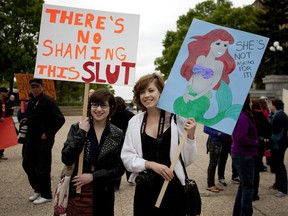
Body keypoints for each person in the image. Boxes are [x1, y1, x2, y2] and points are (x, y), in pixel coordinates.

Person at [121, 73, 198, 216]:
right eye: (142, 92)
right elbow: (127, 157)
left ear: (161, 92)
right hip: (145, 188)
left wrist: (191, 135)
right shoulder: (135, 122)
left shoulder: (179, 120)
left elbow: (188, 160)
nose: (146, 95)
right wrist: (150, 164)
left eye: (151, 90)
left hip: (172, 187)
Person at [62, 88, 124, 216]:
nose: (99, 109)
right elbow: (66, 158)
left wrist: (93, 176)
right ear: (89, 106)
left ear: (111, 107)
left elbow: (119, 169)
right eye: (95, 105)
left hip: (104, 192)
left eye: (103, 105)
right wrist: (81, 133)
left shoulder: (117, 133)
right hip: (80, 192)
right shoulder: (77, 128)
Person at [22, 78, 65, 205]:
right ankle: (38, 189)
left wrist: (48, 133)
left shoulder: (48, 101)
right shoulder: (31, 100)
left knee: (43, 167)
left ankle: (46, 194)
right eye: (32, 86)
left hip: (43, 140)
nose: (34, 89)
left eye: (36, 86)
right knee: (27, 164)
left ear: (42, 87)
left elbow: (60, 119)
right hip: (31, 139)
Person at [231, 94, 259, 216]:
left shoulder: (241, 115)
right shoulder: (243, 117)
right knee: (248, 187)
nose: (252, 103)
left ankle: (238, 212)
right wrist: (255, 142)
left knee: (243, 185)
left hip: (241, 154)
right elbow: (242, 138)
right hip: (244, 154)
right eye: (251, 101)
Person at [110, 96, 135, 190]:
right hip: (127, 139)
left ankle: (116, 184)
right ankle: (130, 178)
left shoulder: (112, 115)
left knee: (117, 162)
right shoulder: (130, 114)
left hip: (115, 140)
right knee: (129, 159)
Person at [251, 98, 272, 201]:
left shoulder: (251, 116)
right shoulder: (262, 116)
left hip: (251, 147)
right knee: (256, 171)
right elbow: (268, 130)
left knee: (251, 171)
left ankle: (251, 193)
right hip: (259, 147)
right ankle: (255, 193)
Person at [268, 98, 288, 197]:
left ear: (274, 105)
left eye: (270, 104)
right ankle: (278, 183)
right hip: (280, 143)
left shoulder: (279, 116)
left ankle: (283, 188)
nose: (269, 106)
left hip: (279, 144)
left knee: (279, 165)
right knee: (277, 164)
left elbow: (277, 133)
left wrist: (270, 141)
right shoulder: (278, 114)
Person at [204, 126, 224, 192]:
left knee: (215, 163)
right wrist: (217, 133)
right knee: (213, 163)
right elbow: (206, 129)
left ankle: (212, 184)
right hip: (213, 141)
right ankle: (210, 185)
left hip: (219, 141)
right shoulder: (212, 117)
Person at [0, 87, 14, 160]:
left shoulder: (3, 101)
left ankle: (1, 153)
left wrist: (11, 101)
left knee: (2, 138)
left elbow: (6, 108)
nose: (7, 94)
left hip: (3, 122)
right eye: (6, 92)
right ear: (2, 92)